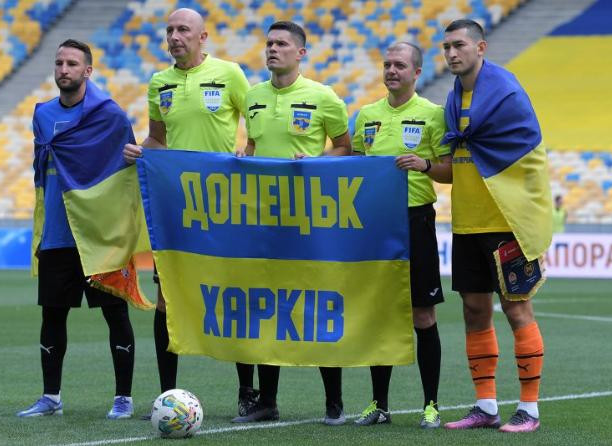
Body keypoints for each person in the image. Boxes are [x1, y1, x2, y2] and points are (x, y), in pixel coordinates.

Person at [121, 8, 255, 418]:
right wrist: (140, 151)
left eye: (184, 30)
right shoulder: (159, 83)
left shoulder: (230, 74)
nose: (175, 36)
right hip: (176, 207)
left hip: (225, 205)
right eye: (170, 30)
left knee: (235, 296)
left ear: (203, 37)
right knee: (168, 299)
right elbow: (158, 139)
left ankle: (248, 394)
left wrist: (246, 153)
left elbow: (257, 126)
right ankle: (168, 396)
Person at [231, 20, 351, 426]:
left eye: (281, 43)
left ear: (301, 53)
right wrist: (245, 156)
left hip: (307, 220)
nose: (272, 49)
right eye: (268, 43)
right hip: (262, 219)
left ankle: (334, 403)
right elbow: (252, 145)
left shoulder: (324, 96)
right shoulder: (254, 96)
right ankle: (266, 401)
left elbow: (345, 150)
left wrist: (316, 163)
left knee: (316, 308)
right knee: (264, 307)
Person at [440, 19, 552, 433]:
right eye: (446, 47)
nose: (452, 54)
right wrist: (425, 166)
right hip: (466, 222)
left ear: (481, 47)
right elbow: (461, 158)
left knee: (516, 309)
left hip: (506, 223)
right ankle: (485, 406)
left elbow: (528, 148)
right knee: (474, 312)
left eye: (459, 45)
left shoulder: (505, 93)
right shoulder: (453, 100)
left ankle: (529, 409)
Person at [17, 39, 137, 419]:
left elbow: (124, 174)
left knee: (115, 313)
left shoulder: (112, 116)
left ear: (88, 71)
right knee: (52, 314)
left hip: (100, 235)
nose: (63, 69)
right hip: (56, 233)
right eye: (59, 63)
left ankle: (124, 398)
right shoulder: (42, 116)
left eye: (72, 64)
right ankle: (50, 397)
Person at [350, 42, 451, 428]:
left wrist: (425, 164)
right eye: (387, 64)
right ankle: (379, 405)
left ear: (417, 72)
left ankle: (431, 405)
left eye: (399, 65)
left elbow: (450, 171)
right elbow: (353, 163)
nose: (391, 70)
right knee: (378, 315)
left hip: (415, 222)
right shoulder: (367, 115)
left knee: (422, 314)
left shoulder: (432, 115)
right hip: (374, 224)